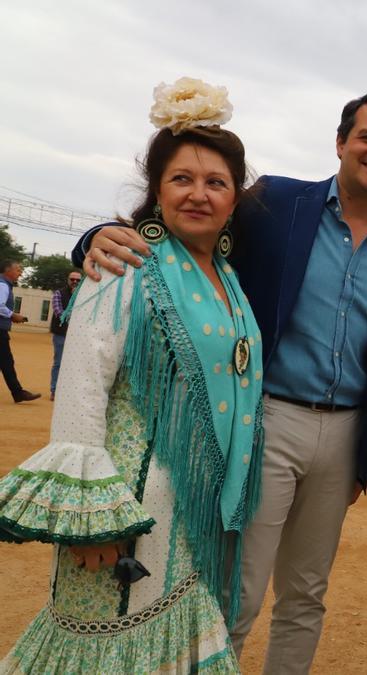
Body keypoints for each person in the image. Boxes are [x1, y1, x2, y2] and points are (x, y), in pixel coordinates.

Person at [76, 89, 367, 673]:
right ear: (341, 142)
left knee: (307, 594)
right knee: (238, 587)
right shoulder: (276, 202)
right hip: (265, 421)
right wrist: (95, 237)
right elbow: (187, 216)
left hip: (344, 436)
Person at [0, 78, 263, 673]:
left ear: (235, 197)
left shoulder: (230, 279)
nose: (199, 195)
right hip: (126, 515)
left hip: (195, 515)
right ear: (156, 190)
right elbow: (80, 396)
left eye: (216, 182)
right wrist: (92, 521)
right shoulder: (122, 268)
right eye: (182, 180)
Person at [0, 260, 40, 403]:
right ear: (7, 271)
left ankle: (18, 393)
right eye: (18, 270)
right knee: (6, 363)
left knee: (6, 363)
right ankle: (18, 393)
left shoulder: (5, 285)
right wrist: (12, 315)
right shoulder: (3, 285)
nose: (20, 273)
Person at [48, 270, 81, 400]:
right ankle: (54, 390)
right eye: (72, 279)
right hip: (61, 334)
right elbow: (59, 313)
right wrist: (73, 303)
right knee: (58, 363)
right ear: (68, 280)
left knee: (76, 363)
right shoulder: (58, 293)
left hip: (78, 335)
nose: (75, 282)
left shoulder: (84, 295)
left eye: (78, 280)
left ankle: (69, 391)